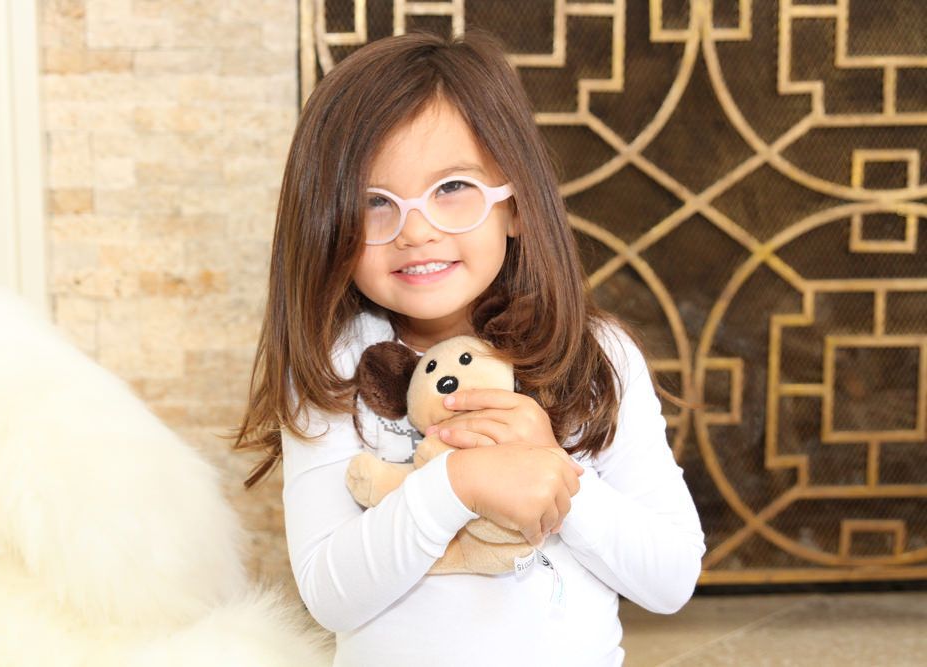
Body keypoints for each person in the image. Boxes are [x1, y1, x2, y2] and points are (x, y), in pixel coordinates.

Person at [234, 30, 705, 667]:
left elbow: (672, 579)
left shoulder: (599, 358)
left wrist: (550, 468)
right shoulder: (335, 366)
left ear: (516, 203)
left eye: (452, 187)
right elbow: (329, 595)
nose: (416, 230)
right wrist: (456, 484)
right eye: (374, 202)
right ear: (328, 224)